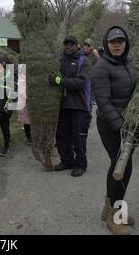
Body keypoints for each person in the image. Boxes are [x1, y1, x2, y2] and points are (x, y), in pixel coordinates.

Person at [91, 26, 138, 235]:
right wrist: (119, 124)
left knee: (121, 166)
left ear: (126, 43)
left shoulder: (129, 63)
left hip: (130, 123)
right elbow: (102, 100)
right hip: (111, 125)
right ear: (106, 44)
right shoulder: (101, 67)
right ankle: (113, 216)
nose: (117, 45)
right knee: (122, 167)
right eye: (113, 42)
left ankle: (111, 208)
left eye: (120, 41)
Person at [49, 35, 92, 177]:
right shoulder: (60, 60)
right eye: (66, 44)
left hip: (79, 106)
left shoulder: (83, 61)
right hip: (63, 106)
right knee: (62, 136)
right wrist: (53, 79)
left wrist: (60, 81)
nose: (68, 46)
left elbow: (81, 83)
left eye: (71, 44)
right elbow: (55, 78)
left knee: (78, 138)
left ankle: (80, 164)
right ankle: (67, 161)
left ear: (77, 45)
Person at [17, 64, 32, 145]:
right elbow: (21, 82)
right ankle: (29, 137)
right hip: (24, 98)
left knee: (33, 118)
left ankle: (34, 136)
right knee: (26, 119)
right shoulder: (22, 68)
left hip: (33, 97)